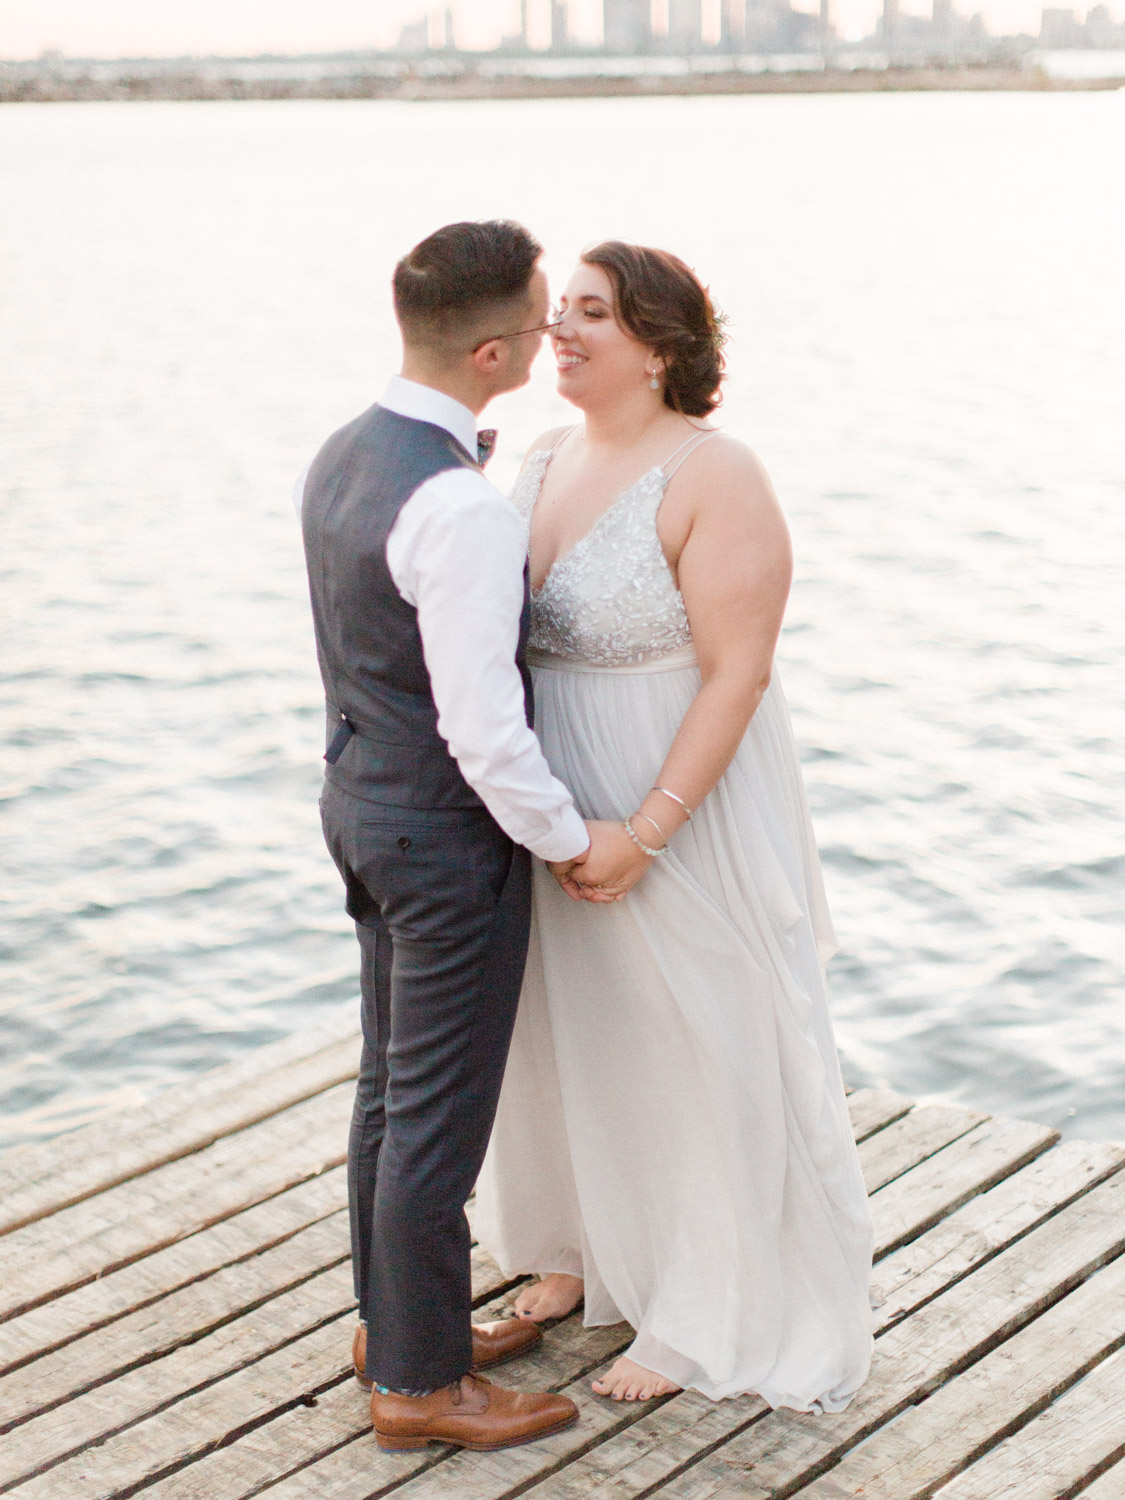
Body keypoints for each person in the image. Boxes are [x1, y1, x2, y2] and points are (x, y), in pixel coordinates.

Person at [473, 242, 874, 1412]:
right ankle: (578, 1249)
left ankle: (709, 1305)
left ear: (661, 342)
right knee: (569, 1028)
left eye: (592, 314)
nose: (563, 332)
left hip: (678, 794)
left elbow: (738, 673)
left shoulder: (715, 471)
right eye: (561, 314)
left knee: (701, 1037)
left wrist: (646, 831)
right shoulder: (541, 458)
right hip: (556, 800)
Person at [298, 220, 611, 1452]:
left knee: (389, 1085)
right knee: (433, 1113)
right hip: (442, 838)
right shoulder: (461, 509)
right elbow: (484, 729)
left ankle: (399, 1324)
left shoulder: (342, 453)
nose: (549, 335)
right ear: (494, 350)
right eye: (539, 321)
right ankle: (420, 1388)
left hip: (359, 805)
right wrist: (569, 839)